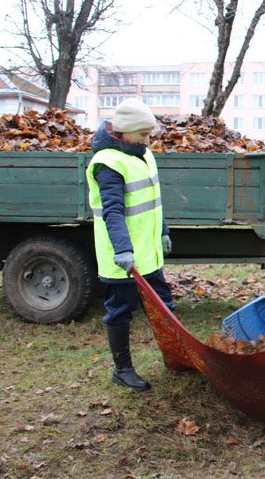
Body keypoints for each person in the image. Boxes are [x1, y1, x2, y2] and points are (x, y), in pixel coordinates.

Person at [86, 98, 176, 392]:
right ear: (123, 132)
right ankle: (122, 370)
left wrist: (162, 230)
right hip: (123, 256)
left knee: (164, 304)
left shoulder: (142, 154)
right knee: (120, 309)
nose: (148, 141)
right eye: (143, 135)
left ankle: (177, 356)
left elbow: (154, 201)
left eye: (149, 135)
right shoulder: (107, 164)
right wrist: (123, 250)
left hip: (148, 252)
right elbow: (113, 211)